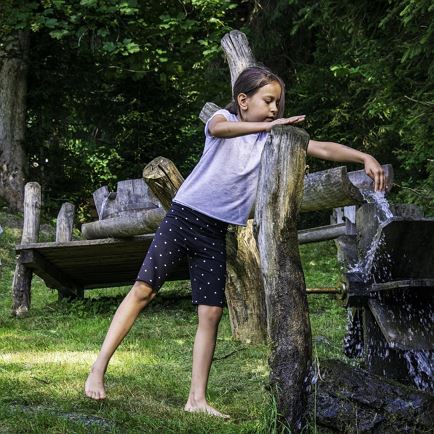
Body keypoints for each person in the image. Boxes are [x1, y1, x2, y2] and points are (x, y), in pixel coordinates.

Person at [85, 66, 385, 417]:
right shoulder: (224, 118)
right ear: (243, 100)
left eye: (279, 103)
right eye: (268, 101)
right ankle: (98, 369)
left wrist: (364, 157)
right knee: (143, 291)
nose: (275, 109)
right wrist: (268, 126)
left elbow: (320, 148)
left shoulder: (271, 139)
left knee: (210, 312)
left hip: (214, 233)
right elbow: (219, 128)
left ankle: (196, 399)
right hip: (183, 218)